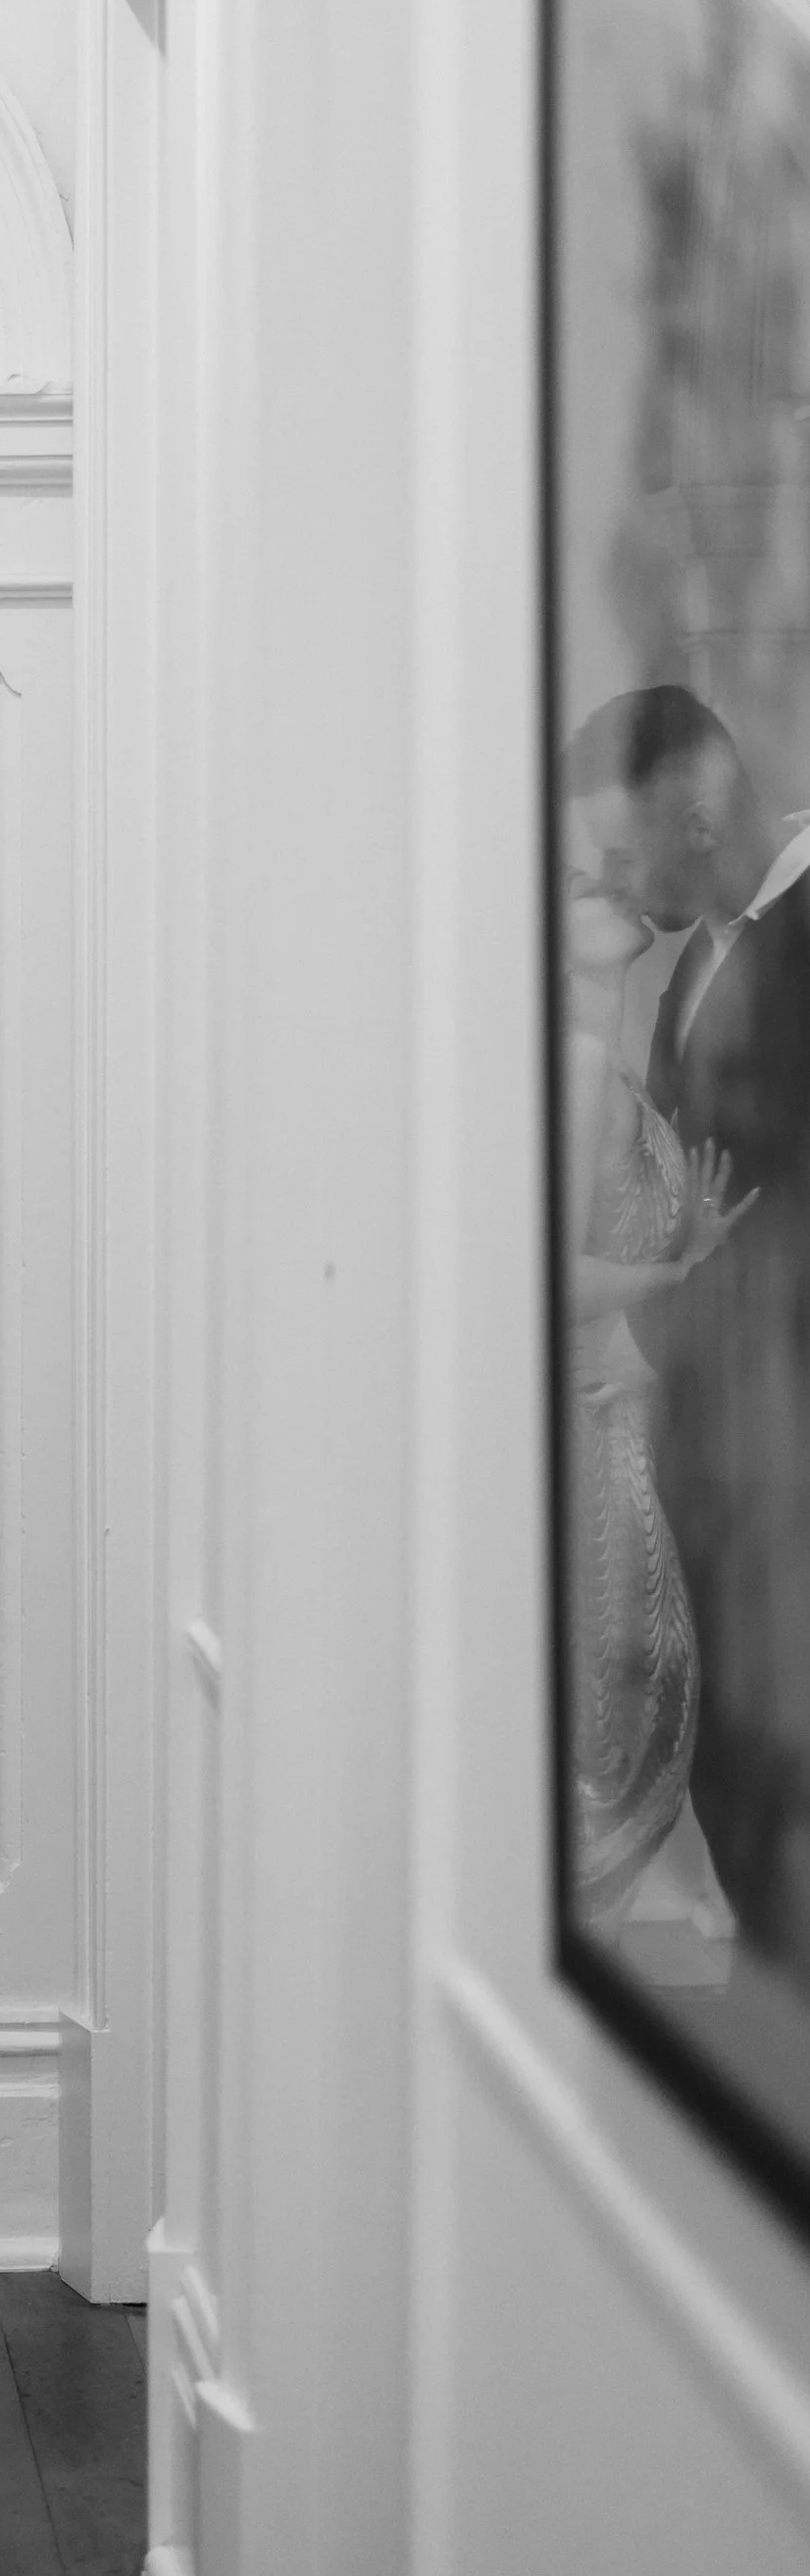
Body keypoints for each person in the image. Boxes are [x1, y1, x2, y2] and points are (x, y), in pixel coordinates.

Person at [594, 684, 810, 1978]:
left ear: (694, 809)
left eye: (629, 850)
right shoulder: (686, 973)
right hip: (713, 1455)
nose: (621, 882)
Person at [556, 727, 751, 1921]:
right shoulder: (577, 1068)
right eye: (587, 882)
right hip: (594, 1439)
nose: (616, 890)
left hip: (622, 1424)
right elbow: (541, 1274)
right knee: (625, 1720)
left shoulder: (621, 1048)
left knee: (644, 1720)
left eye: (615, 867)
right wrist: (676, 1272)